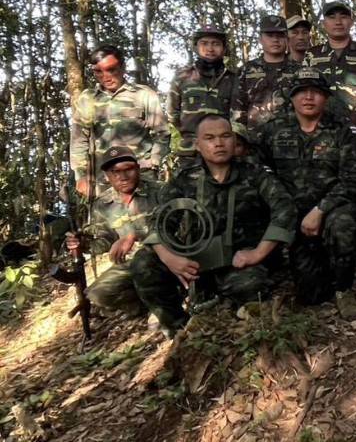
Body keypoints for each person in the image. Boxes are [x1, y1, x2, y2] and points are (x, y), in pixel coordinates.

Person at [131, 115, 296, 336]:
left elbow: (285, 209)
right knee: (143, 263)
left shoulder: (255, 174)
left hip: (239, 262)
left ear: (234, 140)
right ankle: (179, 328)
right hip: (194, 264)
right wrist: (170, 258)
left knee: (250, 286)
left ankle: (226, 307)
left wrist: (257, 253)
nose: (219, 143)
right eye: (209, 138)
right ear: (198, 145)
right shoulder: (185, 178)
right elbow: (158, 221)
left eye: (225, 136)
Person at [255, 68, 356, 317]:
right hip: (292, 212)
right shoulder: (274, 130)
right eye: (301, 92)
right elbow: (259, 171)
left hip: (333, 208)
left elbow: (353, 180)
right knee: (311, 294)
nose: (308, 97)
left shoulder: (342, 132)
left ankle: (344, 290)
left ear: (325, 97)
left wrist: (320, 210)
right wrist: (282, 206)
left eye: (315, 92)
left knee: (343, 224)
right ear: (292, 97)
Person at [66, 146, 160, 317]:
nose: (122, 177)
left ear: (138, 168)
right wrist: (81, 244)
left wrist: (134, 236)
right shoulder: (103, 204)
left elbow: (176, 228)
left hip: (162, 258)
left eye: (128, 169)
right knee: (97, 295)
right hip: (129, 264)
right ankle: (144, 306)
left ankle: (165, 302)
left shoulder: (159, 191)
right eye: (115, 172)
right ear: (106, 176)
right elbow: (104, 240)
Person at [70, 44, 169, 198]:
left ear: (123, 68)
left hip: (141, 177)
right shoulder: (87, 98)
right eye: (98, 72)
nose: (106, 77)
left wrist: (153, 162)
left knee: (144, 213)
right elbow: (79, 140)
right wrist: (81, 176)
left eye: (111, 70)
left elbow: (162, 133)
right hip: (103, 179)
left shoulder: (143, 95)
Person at [304, 1, 356, 155]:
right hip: (321, 136)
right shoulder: (312, 56)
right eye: (332, 17)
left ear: (351, 21)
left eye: (343, 16)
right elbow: (302, 95)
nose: (338, 22)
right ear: (323, 23)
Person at [167, 25, 237, 159]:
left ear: (224, 49)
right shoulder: (182, 77)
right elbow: (172, 113)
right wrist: (190, 132)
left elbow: (239, 115)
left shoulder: (234, 79)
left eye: (216, 44)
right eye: (204, 43)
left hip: (223, 150)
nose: (210, 48)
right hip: (190, 149)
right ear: (196, 47)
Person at [231, 15, 301, 128]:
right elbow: (238, 109)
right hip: (255, 135)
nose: (275, 40)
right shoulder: (246, 71)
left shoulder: (299, 70)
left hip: (291, 134)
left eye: (280, 35)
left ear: (287, 39)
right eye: (270, 35)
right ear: (260, 39)